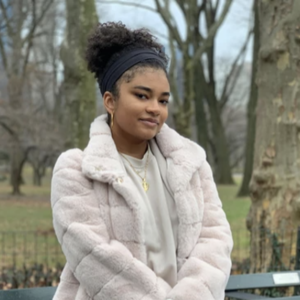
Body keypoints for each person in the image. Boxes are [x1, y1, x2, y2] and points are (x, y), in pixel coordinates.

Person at [51, 22, 233, 300]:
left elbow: (215, 242)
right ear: (110, 101)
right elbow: (98, 260)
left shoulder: (192, 165)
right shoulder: (76, 171)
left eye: (163, 101)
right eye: (142, 95)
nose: (155, 109)